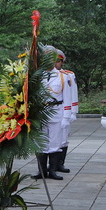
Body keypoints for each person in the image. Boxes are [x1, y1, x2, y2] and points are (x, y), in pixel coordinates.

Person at [33, 47, 71, 181]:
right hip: (40, 114)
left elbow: (67, 97)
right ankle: (41, 171)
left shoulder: (63, 76)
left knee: (55, 143)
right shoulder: (37, 76)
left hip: (56, 113)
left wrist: (67, 116)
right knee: (40, 144)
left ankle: (53, 170)